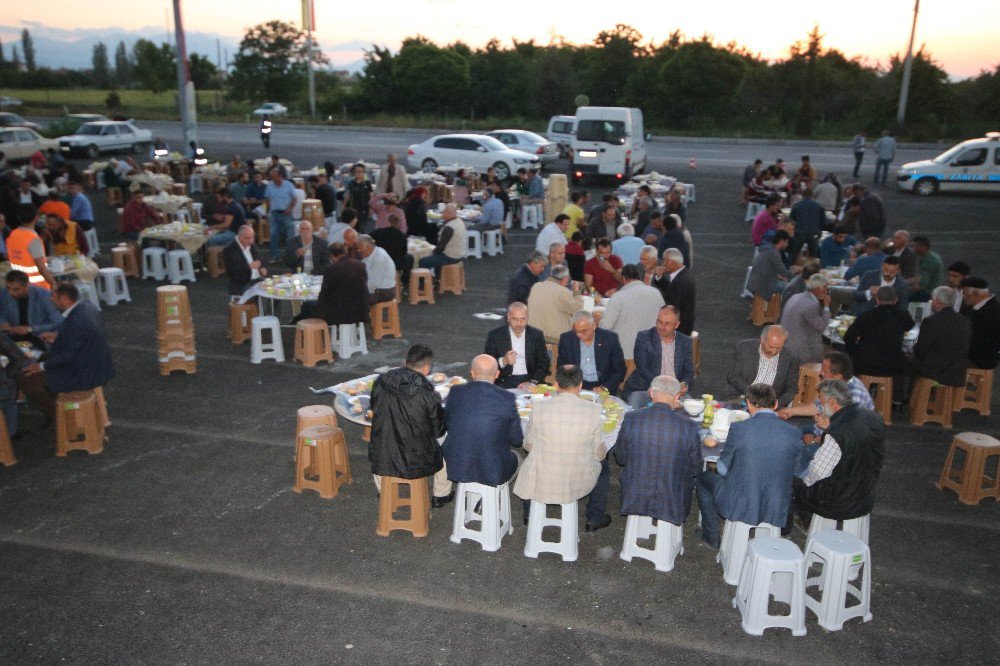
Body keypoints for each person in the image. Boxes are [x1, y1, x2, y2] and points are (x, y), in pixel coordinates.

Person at [697, 383, 803, 549]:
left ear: (748, 404)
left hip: (740, 500)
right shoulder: (794, 432)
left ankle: (711, 536)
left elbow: (723, 468)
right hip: (776, 502)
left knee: (703, 479)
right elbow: (797, 470)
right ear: (775, 404)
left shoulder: (740, 428)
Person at [513, 364, 609, 530]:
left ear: (556, 384)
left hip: (543, 473)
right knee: (604, 466)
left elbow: (528, 446)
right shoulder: (594, 410)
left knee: (531, 462)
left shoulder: (539, 408)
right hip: (578, 475)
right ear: (580, 385)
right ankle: (595, 518)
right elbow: (599, 453)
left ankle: (530, 515)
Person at [791, 379, 886, 528]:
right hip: (865, 494)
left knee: (789, 477)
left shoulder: (837, 433)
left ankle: (803, 520)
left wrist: (799, 481)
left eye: (821, 402)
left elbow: (815, 474)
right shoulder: (873, 417)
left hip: (836, 502)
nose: (820, 406)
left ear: (833, 403)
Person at [614, 374, 702, 533]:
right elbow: (695, 468)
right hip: (673, 497)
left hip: (635, 491)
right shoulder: (689, 426)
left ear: (651, 393)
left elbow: (621, 458)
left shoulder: (632, 418)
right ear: (677, 397)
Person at [369, 344, 452, 508]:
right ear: (427, 368)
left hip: (384, 453)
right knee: (446, 447)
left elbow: (374, 408)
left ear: (404, 362)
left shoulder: (381, 381)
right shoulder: (428, 393)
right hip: (417, 459)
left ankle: (384, 491)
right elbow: (439, 430)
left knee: (381, 442)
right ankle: (440, 495)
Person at [442, 354, 524, 488]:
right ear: (497, 374)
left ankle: (479, 497)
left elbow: (448, 422)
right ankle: (494, 495)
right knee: (518, 458)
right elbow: (517, 440)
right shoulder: (507, 398)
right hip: (492, 469)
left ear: (472, 373)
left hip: (457, 463)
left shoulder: (455, 392)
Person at [23, 283, 114, 393]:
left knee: (30, 381)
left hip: (85, 374)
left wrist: (42, 366)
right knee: (45, 359)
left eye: (53, 297)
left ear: (65, 299)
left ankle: (55, 408)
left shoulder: (75, 321)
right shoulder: (87, 307)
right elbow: (82, 338)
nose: (51, 299)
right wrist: (59, 337)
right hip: (98, 365)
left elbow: (66, 356)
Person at [622, 305, 694, 409]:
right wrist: (662, 388)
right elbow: (643, 368)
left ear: (677, 324)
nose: (662, 327)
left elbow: (689, 371)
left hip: (674, 392)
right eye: (659, 322)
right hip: (646, 388)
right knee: (634, 405)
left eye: (667, 323)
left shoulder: (685, 341)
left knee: (689, 408)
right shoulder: (644, 337)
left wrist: (684, 385)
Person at [778, 351, 875, 427]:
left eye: (824, 370)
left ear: (837, 376)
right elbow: (819, 405)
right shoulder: (838, 384)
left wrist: (816, 438)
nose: (820, 372)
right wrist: (790, 411)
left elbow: (846, 430)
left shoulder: (855, 396)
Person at [843, 286, 915, 380]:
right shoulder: (903, 315)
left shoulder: (865, 316)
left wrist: (855, 352)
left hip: (866, 364)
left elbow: (848, 337)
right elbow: (909, 325)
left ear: (877, 299)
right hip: (893, 365)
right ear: (896, 300)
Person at [599, 265, 664, 362]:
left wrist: (598, 320)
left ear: (623, 278)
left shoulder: (618, 297)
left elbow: (606, 326)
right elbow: (664, 317)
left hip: (626, 353)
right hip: (652, 350)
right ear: (639, 277)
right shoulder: (656, 293)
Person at [913, 286, 971, 391]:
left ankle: (911, 400)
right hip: (957, 373)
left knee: (908, 365)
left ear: (937, 301)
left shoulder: (931, 321)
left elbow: (920, 350)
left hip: (934, 372)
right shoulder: (965, 321)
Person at [727, 326, 801, 406]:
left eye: (779, 348)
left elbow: (791, 388)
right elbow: (733, 376)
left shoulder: (791, 358)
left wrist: (777, 403)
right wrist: (752, 394)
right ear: (762, 339)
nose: (773, 351)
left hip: (769, 405)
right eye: (770, 347)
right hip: (741, 397)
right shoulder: (744, 348)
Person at [557, 311, 626, 395]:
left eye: (583, 331)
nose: (579, 335)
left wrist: (605, 387)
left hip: (603, 385)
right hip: (576, 385)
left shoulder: (610, 339)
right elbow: (562, 368)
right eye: (576, 331)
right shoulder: (566, 339)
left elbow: (619, 370)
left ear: (593, 326)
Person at [484, 302, 550, 389]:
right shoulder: (495, 335)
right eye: (515, 319)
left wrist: (533, 382)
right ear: (508, 318)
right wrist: (503, 361)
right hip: (504, 380)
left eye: (523, 319)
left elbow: (544, 363)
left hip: (530, 378)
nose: (519, 323)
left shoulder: (536, 335)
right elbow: (487, 363)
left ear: (527, 318)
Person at [0, 270, 63, 346]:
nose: (11, 292)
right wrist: (4, 324)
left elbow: (57, 321)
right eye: (8, 288)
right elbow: (2, 314)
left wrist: (30, 329)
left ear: (27, 286)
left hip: (39, 338)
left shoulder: (44, 296)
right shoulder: (3, 293)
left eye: (16, 289)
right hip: (12, 338)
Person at [779, 274, 831, 364]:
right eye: (826, 288)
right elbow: (822, 327)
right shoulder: (811, 305)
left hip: (787, 342)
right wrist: (826, 307)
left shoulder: (796, 296)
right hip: (800, 350)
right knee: (830, 354)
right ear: (818, 289)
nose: (827, 291)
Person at [312, 243, 368, 325]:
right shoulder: (361, 265)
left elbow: (324, 294)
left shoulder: (331, 269)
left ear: (331, 255)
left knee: (307, 306)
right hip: (360, 310)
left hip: (338, 313)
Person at [527, 265, 583, 343]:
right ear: (565, 278)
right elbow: (577, 310)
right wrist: (576, 290)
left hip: (532, 336)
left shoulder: (536, 286)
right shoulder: (562, 291)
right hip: (553, 339)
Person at [8, 204, 56, 291]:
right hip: (37, 287)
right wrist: (53, 283)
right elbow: (41, 268)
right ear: (36, 217)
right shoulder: (33, 239)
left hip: (19, 283)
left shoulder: (13, 234)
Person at [960, 277, 1000, 370]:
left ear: (975, 294)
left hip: (981, 359)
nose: (963, 296)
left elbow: (980, 340)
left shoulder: (993, 312)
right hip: (975, 354)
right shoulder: (978, 307)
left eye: (965, 293)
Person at [418, 203, 467, 277]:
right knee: (436, 257)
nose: (442, 213)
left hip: (451, 256)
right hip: (460, 253)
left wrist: (432, 252)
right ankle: (439, 278)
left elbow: (441, 246)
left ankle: (424, 284)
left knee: (424, 261)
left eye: (444, 211)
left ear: (449, 213)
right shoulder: (459, 221)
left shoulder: (449, 227)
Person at [747, 230, 797, 301]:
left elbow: (769, 270)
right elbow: (783, 271)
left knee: (786, 284)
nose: (787, 245)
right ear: (781, 241)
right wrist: (796, 276)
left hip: (755, 283)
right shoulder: (774, 253)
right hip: (764, 285)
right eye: (786, 242)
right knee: (791, 288)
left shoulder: (767, 249)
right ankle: (783, 310)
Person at [222, 225, 268, 297]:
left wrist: (262, 267)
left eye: (252, 237)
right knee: (252, 295)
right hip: (241, 283)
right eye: (247, 238)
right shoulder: (229, 249)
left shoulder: (251, 244)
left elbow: (260, 258)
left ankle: (270, 308)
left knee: (277, 290)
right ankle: (254, 308)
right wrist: (249, 266)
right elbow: (232, 270)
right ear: (240, 236)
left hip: (257, 279)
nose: (251, 241)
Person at [659, 248, 696, 336]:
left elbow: (674, 305)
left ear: (672, 262)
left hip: (679, 330)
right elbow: (670, 289)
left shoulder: (681, 281)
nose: (663, 264)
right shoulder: (683, 275)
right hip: (682, 328)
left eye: (665, 261)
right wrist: (659, 277)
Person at [370, 213, 412, 287]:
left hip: (381, 260)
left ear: (388, 222)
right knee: (410, 258)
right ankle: (405, 281)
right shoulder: (402, 236)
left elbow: (367, 236)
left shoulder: (379, 232)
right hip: (396, 263)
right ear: (398, 223)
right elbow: (404, 252)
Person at [263, 169, 296, 260]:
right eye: (272, 177)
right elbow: (267, 200)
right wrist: (266, 213)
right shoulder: (270, 185)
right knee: (273, 235)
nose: (273, 179)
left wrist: (289, 208)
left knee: (289, 236)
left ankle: (290, 255)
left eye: (274, 177)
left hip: (286, 213)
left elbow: (294, 199)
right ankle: (275, 255)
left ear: (280, 176)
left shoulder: (289, 185)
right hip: (274, 213)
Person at [356, 234, 397, 305]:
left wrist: (358, 287)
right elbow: (364, 265)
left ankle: (362, 315)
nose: (358, 251)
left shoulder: (379, 259)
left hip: (384, 292)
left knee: (352, 299)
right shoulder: (376, 251)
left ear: (367, 247)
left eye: (360, 248)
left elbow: (374, 284)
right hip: (377, 289)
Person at [788, 188, 825, 259]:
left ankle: (790, 267)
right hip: (814, 233)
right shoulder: (819, 206)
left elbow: (791, 220)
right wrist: (819, 230)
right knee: (814, 255)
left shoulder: (796, 205)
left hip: (799, 232)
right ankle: (813, 268)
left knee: (794, 254)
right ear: (812, 195)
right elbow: (824, 221)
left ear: (803, 195)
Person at [909, 235, 942, 302]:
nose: (913, 249)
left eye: (915, 246)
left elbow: (922, 285)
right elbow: (921, 277)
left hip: (928, 293)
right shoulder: (929, 257)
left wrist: (904, 287)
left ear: (923, 247)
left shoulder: (930, 260)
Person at [343, 163, 373, 230]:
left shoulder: (367, 183)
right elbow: (348, 194)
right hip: (353, 208)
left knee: (361, 227)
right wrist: (344, 205)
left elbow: (371, 196)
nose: (358, 173)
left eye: (360, 171)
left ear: (363, 172)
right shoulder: (352, 182)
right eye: (356, 171)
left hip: (364, 209)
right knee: (353, 227)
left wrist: (371, 208)